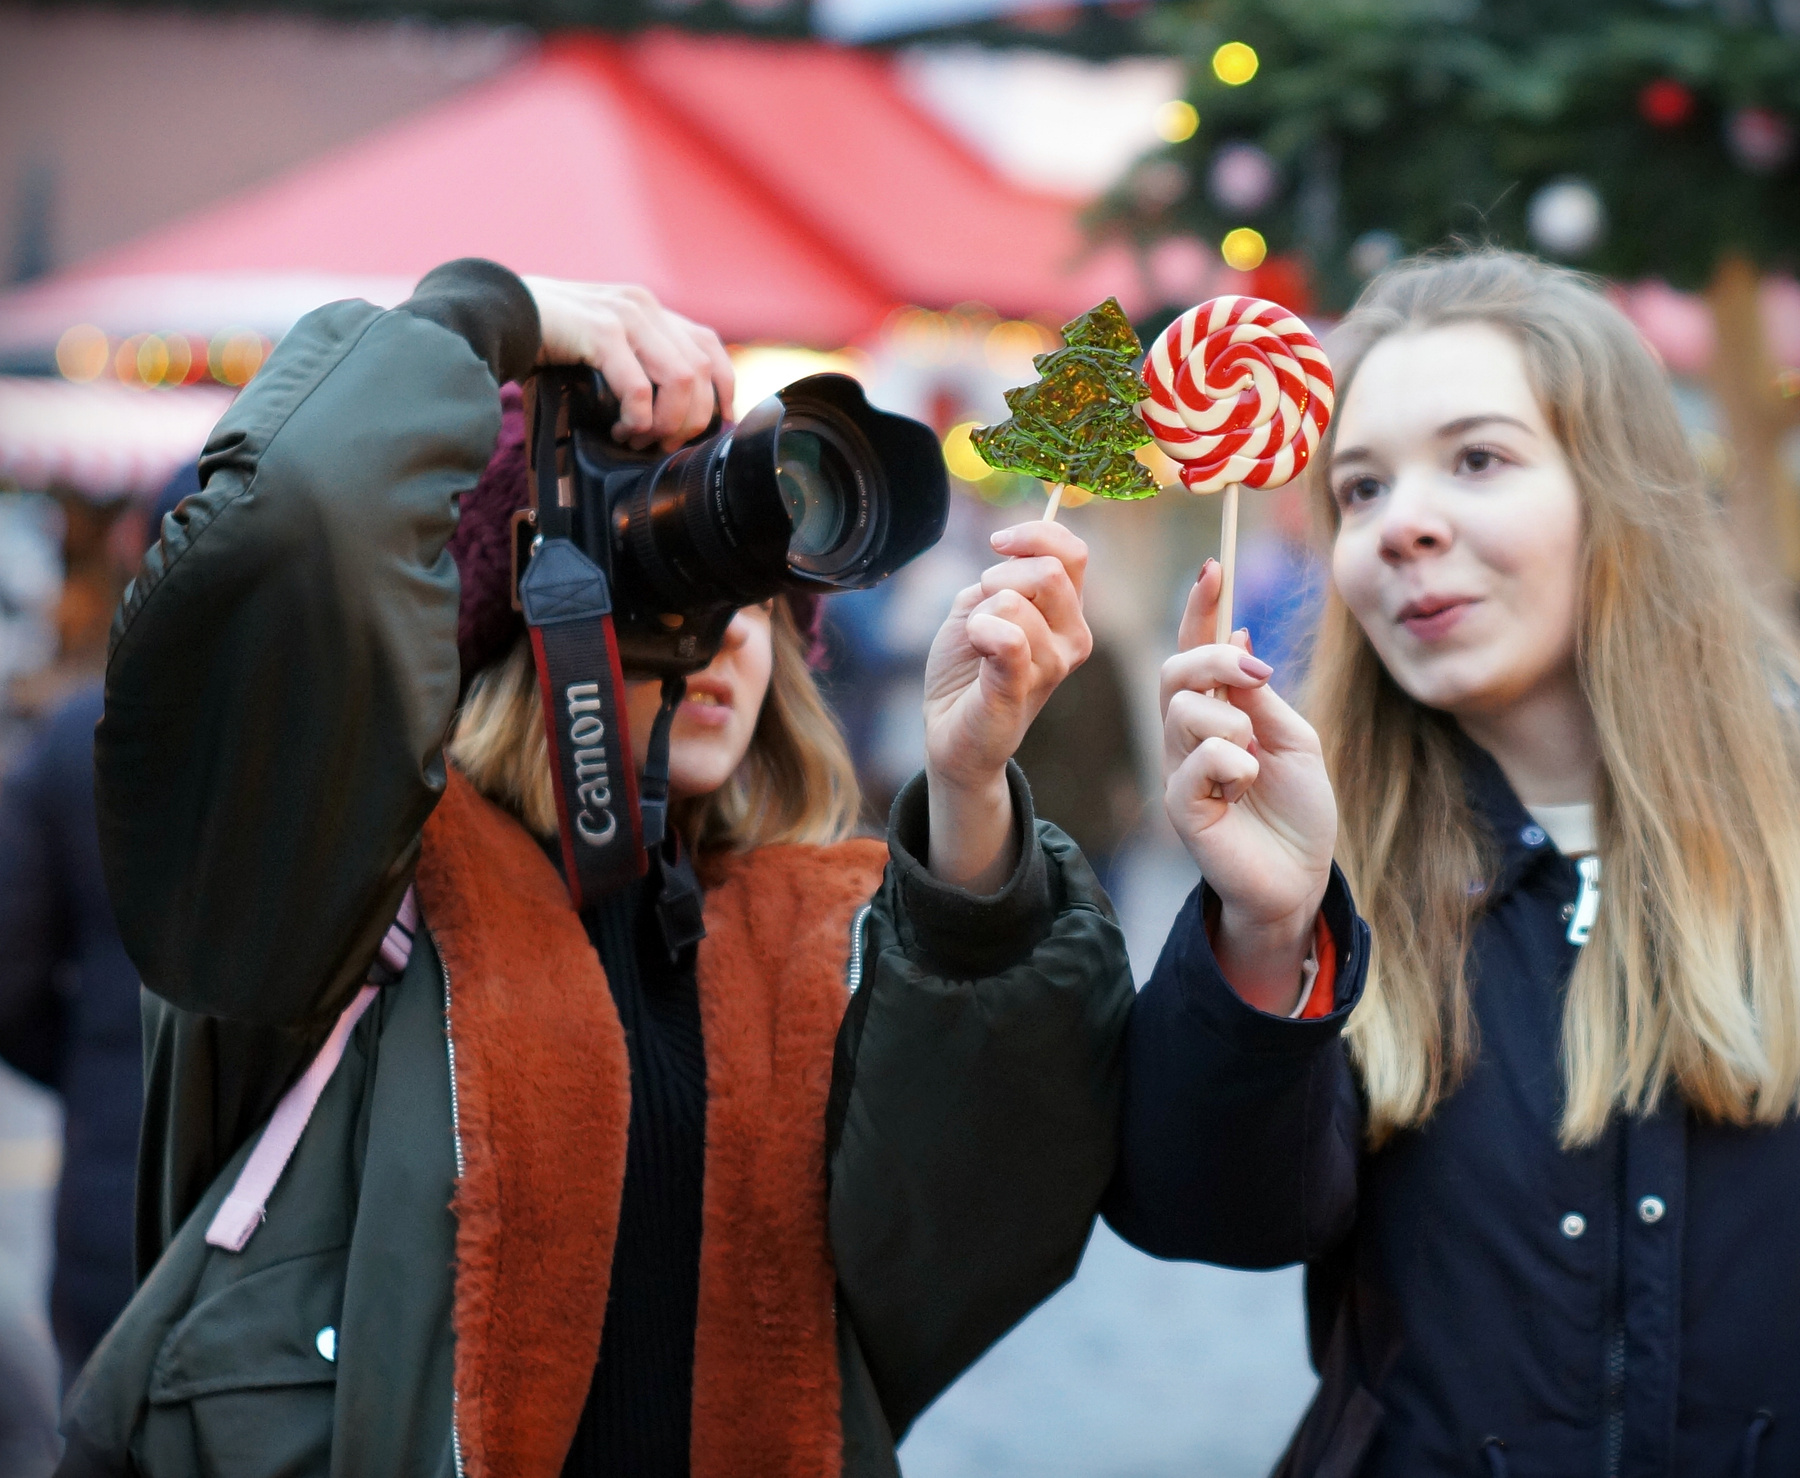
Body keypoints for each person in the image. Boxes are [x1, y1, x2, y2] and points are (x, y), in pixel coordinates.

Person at [58, 260, 1133, 1478]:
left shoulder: (812, 941)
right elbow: (296, 519)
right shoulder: (346, 890)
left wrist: (971, 788)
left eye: (760, 596)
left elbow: (997, 1201)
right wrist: (495, 315)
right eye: (676, 575)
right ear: (523, 605)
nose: (725, 627)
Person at [1106, 250, 1800, 1476]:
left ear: (1617, 491)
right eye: (1360, 488)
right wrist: (1267, 933)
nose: (1402, 524)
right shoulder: (1332, 867)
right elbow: (1208, 1215)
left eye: (1477, 458)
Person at [0, 682, 142, 1385]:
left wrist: (95, 1066)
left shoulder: (78, 735)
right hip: (309, 1216)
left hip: (118, 1206)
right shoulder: (347, 723)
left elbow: (8, 980)